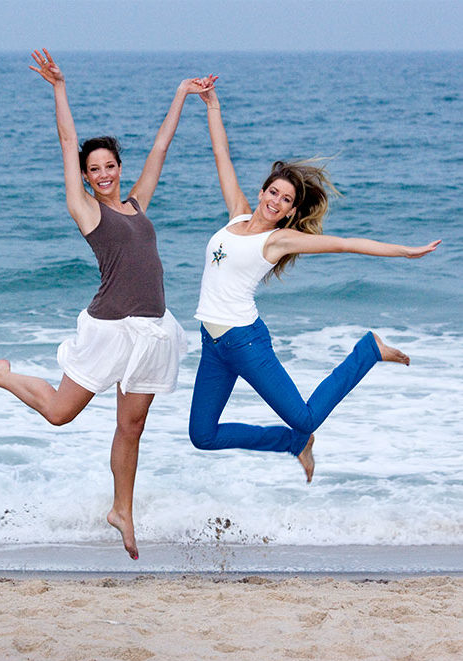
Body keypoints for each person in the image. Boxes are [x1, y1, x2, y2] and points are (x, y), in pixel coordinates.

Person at [0, 49, 212, 559]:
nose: (102, 174)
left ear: (119, 168)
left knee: (133, 425)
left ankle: (122, 510)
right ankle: (2, 373)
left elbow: (161, 151)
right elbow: (65, 141)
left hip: (153, 332)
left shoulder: (137, 203)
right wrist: (59, 88)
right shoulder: (85, 211)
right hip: (110, 330)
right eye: (93, 169)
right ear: (85, 178)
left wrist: (181, 95)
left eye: (109, 165)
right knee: (60, 413)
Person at [188, 81, 441, 483]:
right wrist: (212, 107)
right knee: (202, 435)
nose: (276, 201)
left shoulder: (277, 240)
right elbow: (222, 154)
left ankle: (367, 351)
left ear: (289, 213)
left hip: (245, 341)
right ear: (262, 191)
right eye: (273, 192)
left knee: (303, 417)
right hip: (212, 343)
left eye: (286, 200)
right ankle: (292, 444)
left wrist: (404, 251)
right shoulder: (236, 215)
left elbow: (344, 244)